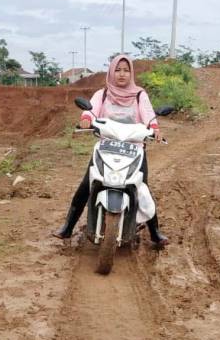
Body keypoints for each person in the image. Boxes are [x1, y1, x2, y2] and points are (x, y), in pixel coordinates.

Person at [53, 54, 169, 246]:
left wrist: (155, 129)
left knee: (142, 187)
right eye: (118, 70)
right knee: (86, 185)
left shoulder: (140, 94)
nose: (122, 74)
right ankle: (67, 227)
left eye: (126, 70)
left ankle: (155, 232)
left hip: (134, 148)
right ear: (111, 71)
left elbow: (149, 116)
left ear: (131, 73)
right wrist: (86, 119)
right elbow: (91, 110)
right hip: (106, 146)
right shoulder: (103, 94)